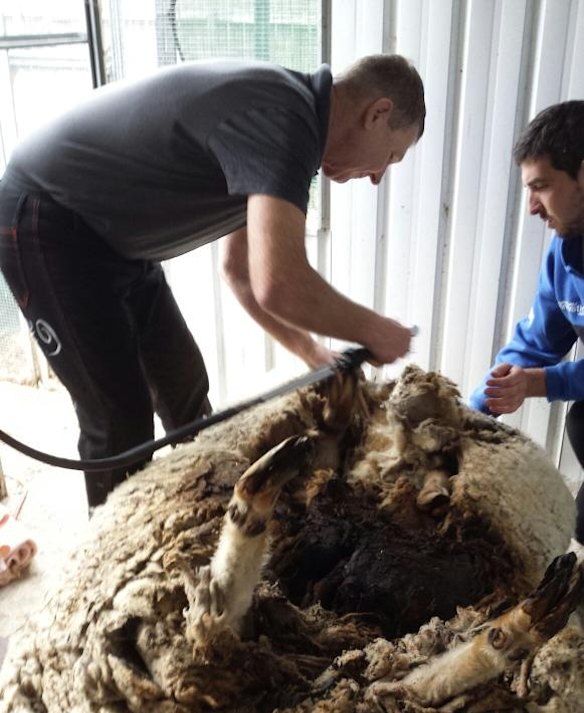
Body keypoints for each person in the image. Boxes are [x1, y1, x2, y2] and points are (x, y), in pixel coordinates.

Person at [0, 54, 425, 508]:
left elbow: (239, 272)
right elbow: (277, 282)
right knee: (119, 419)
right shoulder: (284, 117)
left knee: (184, 387)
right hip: (48, 221)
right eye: (392, 156)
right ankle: (115, 567)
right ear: (377, 114)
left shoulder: (290, 124)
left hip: (116, 242)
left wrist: (313, 353)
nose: (379, 176)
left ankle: (199, 517)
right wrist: (375, 331)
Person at [469, 100, 584, 540]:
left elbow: (536, 373)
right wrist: (469, 419)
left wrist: (539, 383)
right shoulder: (567, 251)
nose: (533, 207)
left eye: (542, 186)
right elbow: (535, 342)